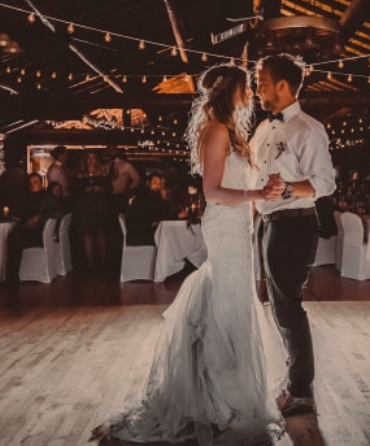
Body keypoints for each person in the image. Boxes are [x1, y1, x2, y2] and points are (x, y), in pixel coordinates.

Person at [92, 65, 286, 445]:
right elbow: (212, 191)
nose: (251, 91)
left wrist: (265, 190)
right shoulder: (214, 130)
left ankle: (225, 394)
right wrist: (256, 196)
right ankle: (216, 400)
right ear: (230, 89)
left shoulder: (233, 132)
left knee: (235, 301)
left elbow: (233, 185)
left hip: (238, 227)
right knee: (226, 302)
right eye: (246, 85)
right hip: (224, 225)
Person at [252, 53, 336, 418]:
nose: (257, 89)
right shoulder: (262, 130)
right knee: (279, 305)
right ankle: (294, 382)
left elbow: (324, 184)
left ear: (282, 85)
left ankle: (301, 389)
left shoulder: (308, 129)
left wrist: (284, 190)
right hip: (269, 225)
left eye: (262, 82)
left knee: (288, 308)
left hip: (296, 224)